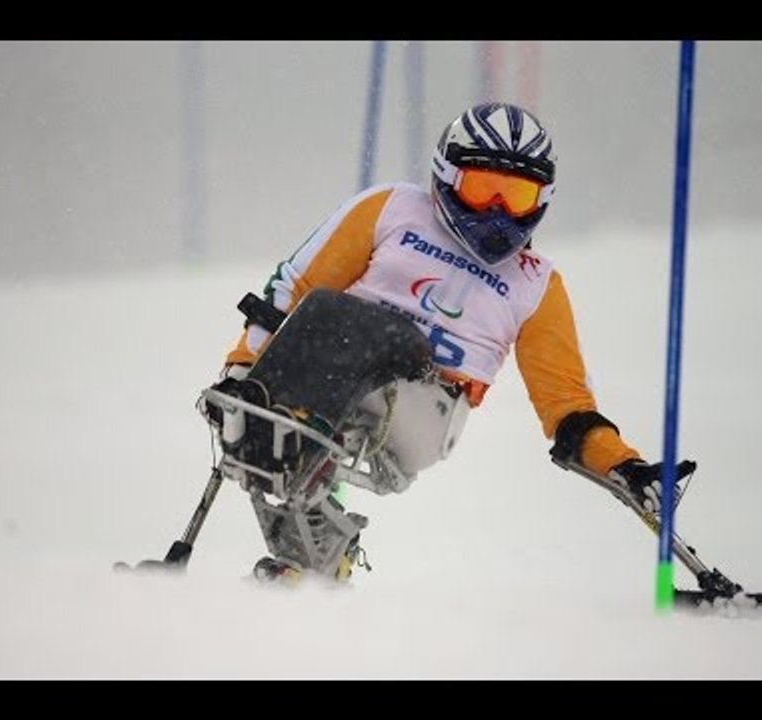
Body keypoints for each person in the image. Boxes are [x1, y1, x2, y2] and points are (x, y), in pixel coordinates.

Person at [209, 102, 692, 580]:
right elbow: (296, 285)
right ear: (446, 174)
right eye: (484, 190)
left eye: (517, 196)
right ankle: (308, 554)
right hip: (336, 363)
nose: (498, 213)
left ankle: (299, 490)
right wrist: (242, 368)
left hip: (426, 407)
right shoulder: (394, 208)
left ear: (542, 199)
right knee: (321, 324)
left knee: (350, 325)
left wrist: (625, 466)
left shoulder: (536, 282)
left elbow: (567, 404)